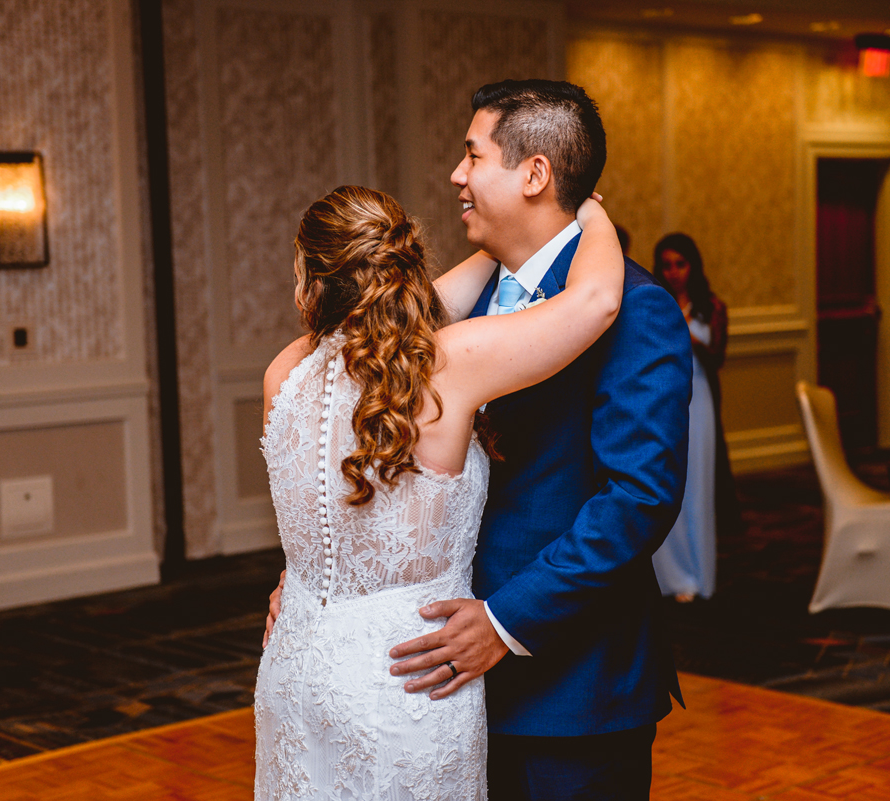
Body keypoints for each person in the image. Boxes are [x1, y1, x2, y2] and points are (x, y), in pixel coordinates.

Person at [255, 184, 625, 800]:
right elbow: (595, 302)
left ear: (309, 275)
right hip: (408, 678)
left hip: (296, 665)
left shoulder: (286, 371)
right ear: (401, 262)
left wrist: (497, 245)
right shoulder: (445, 369)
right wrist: (584, 206)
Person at [382, 79, 692, 798]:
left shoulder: (636, 310)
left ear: (534, 174)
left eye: (472, 155)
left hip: (572, 696)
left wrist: (504, 620)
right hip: (458, 686)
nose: (456, 176)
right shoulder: (474, 298)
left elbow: (638, 499)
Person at [650, 233, 734, 602]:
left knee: (697, 489)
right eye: (667, 265)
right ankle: (669, 577)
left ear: (692, 266)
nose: (673, 272)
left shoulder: (710, 307)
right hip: (664, 404)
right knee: (665, 486)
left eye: (680, 264)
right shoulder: (655, 303)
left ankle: (700, 577)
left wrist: (694, 342)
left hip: (699, 403)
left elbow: (719, 357)